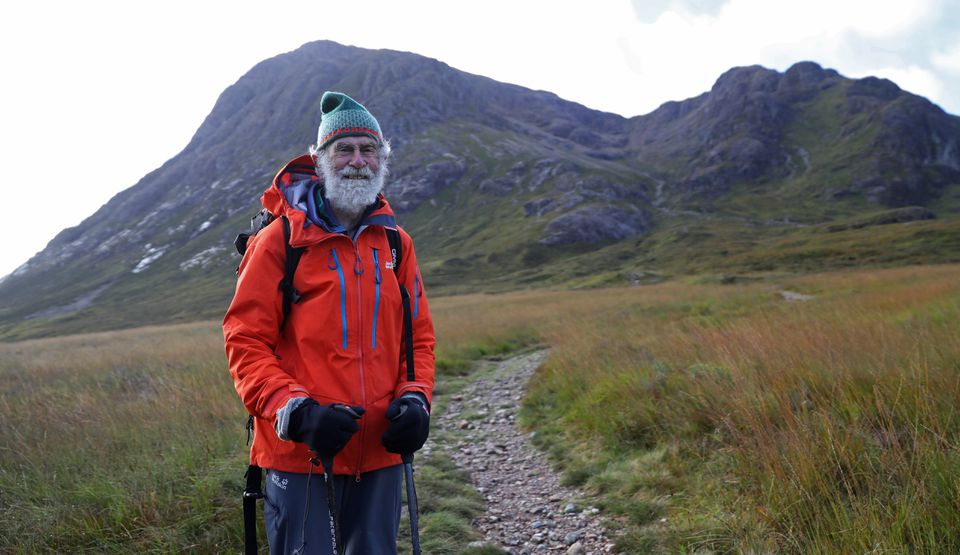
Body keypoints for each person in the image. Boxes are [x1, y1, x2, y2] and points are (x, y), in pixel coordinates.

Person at [223, 91, 435, 554]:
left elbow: (417, 338)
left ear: (382, 159)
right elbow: (245, 341)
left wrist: (416, 399)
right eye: (344, 149)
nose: (358, 160)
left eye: (368, 149)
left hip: (380, 451)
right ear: (319, 160)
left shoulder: (396, 244)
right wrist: (296, 412)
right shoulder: (279, 241)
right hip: (302, 453)